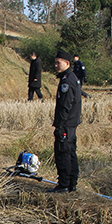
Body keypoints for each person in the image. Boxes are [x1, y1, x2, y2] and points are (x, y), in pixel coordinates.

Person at [49, 50, 82, 194]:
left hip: (66, 124)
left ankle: (64, 185)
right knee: (70, 153)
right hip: (70, 124)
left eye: (58, 62)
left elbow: (65, 105)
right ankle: (71, 184)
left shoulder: (67, 81)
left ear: (67, 63)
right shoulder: (70, 77)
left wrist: (60, 125)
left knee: (63, 153)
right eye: (55, 62)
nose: (56, 65)